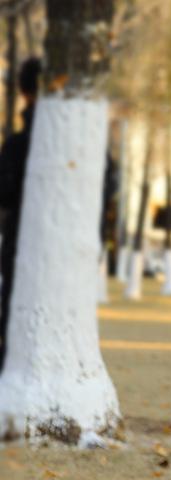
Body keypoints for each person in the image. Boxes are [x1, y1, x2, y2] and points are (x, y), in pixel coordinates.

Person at [0, 57, 41, 372]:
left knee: (12, 321)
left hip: (19, 248)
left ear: (25, 93)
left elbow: (4, 192)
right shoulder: (83, 147)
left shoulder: (18, 145)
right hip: (66, 255)